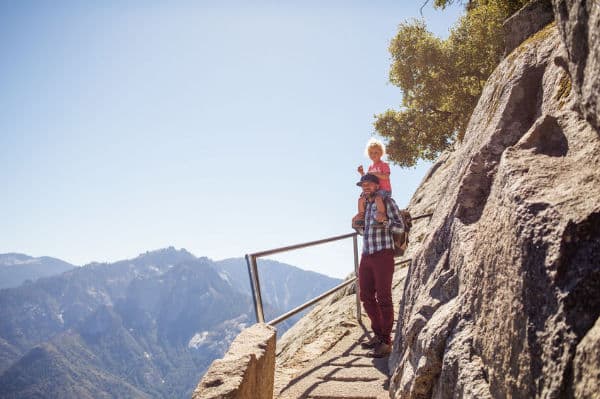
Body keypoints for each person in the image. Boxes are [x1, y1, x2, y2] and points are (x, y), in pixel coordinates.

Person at [352, 173, 405, 358]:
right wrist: (357, 225)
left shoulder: (387, 202)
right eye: (362, 184)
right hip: (367, 254)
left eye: (368, 184)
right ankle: (378, 334)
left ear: (376, 185)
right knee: (366, 296)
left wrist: (385, 221)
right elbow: (364, 231)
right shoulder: (365, 204)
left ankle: (386, 341)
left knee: (383, 297)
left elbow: (399, 228)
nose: (365, 187)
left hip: (383, 253)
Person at [355, 138, 392, 226]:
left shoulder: (384, 165)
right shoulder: (370, 167)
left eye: (376, 152)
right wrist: (362, 173)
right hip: (374, 190)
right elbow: (367, 180)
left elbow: (386, 176)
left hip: (384, 190)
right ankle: (361, 216)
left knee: (378, 198)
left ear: (381, 153)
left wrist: (376, 173)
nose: (373, 154)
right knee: (361, 199)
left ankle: (381, 215)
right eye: (371, 153)